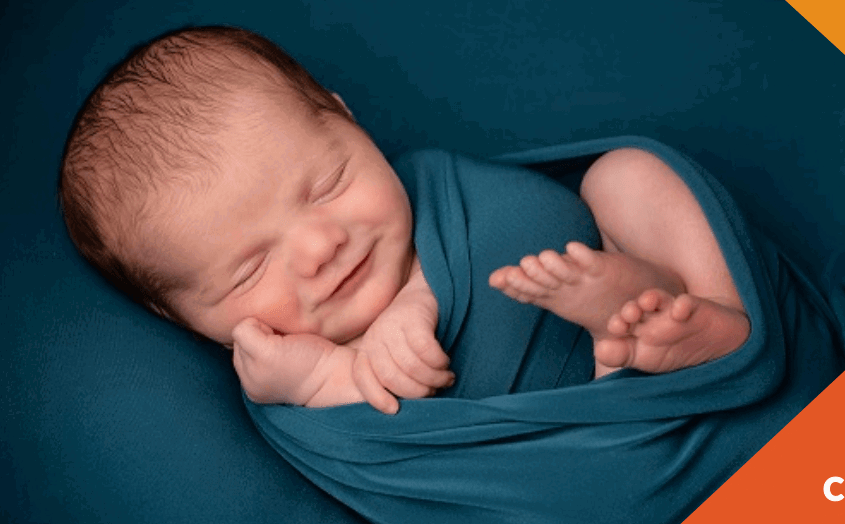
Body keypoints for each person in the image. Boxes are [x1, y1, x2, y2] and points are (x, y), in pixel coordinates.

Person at [59, 25, 750, 414]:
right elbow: (390, 454)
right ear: (180, 319)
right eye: (250, 268)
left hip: (593, 302)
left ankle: (707, 320)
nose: (321, 246)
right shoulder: (283, 370)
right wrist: (326, 378)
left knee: (625, 176)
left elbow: (535, 219)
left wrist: (422, 295)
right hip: (576, 448)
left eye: (327, 184)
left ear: (347, 118)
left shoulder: (437, 190)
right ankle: (633, 357)